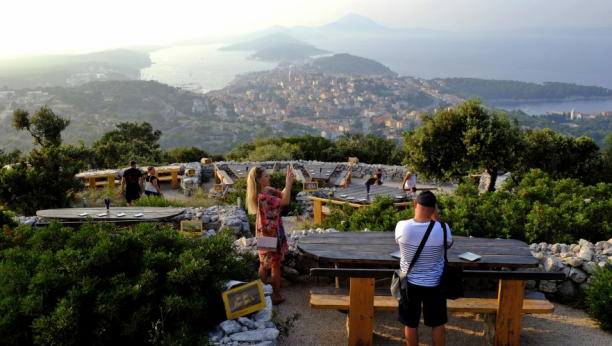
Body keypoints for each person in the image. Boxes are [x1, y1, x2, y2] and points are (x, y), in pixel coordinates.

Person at [395, 191, 453, 346]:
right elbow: (448, 244)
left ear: (415, 205)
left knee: (411, 323)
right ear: (434, 208)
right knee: (438, 323)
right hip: (435, 285)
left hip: (409, 284)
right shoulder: (443, 228)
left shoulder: (401, 226)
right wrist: (436, 219)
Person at [246, 166, 294, 305]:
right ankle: (277, 296)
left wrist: (287, 182)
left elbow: (282, 195)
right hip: (272, 234)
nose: (269, 177)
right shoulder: (263, 197)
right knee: (275, 265)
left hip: (263, 233)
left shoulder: (265, 191)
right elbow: (285, 201)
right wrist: (289, 184)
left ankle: (259, 296)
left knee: (264, 264)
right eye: (266, 176)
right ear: (259, 180)